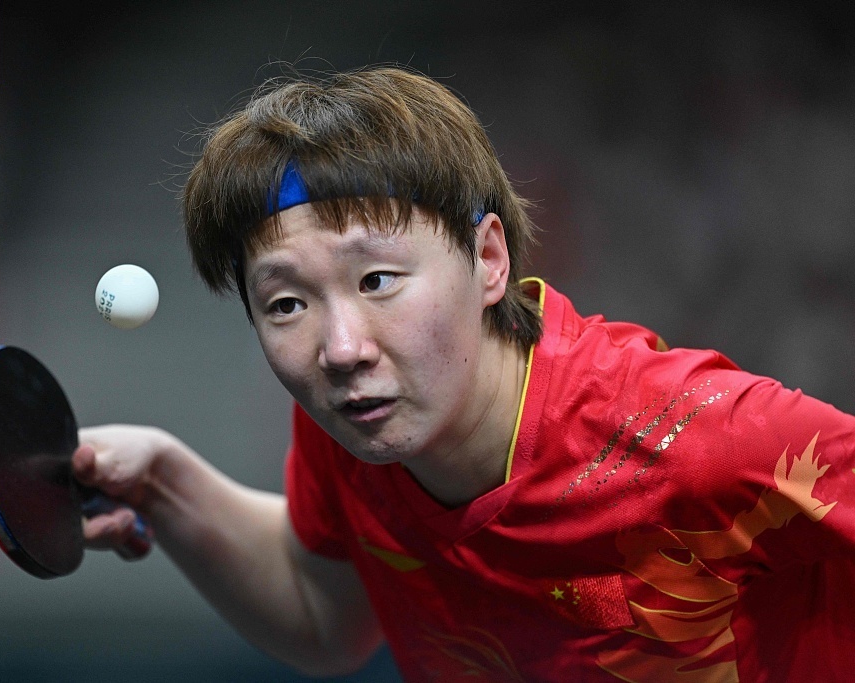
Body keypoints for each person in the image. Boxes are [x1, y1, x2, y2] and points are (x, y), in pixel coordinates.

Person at [72, 67, 855, 682]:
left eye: (377, 279)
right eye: (286, 303)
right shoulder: (355, 427)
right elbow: (326, 612)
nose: (340, 347)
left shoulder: (699, 438)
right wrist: (162, 484)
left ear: (488, 259)